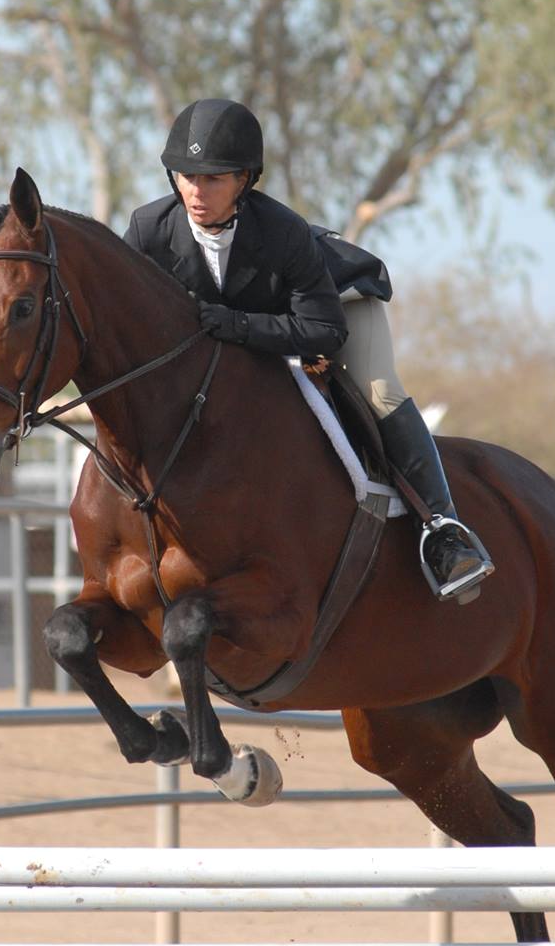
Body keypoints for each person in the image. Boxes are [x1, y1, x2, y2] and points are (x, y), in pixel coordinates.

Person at [124, 96, 493, 601]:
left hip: (336, 306)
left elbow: (322, 330)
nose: (195, 191)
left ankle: (444, 530)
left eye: (212, 178)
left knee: (380, 390)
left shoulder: (282, 231)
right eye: (186, 176)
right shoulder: (148, 231)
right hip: (260, 324)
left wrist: (237, 324)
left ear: (245, 180)